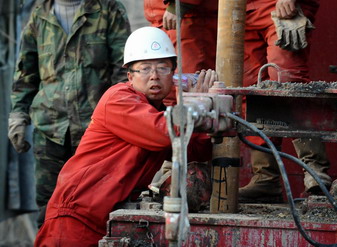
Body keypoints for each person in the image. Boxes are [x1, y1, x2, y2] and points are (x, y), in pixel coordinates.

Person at [34, 27, 215, 246]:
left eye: (163, 68)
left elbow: (195, 150)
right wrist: (198, 103)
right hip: (76, 217)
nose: (154, 76)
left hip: (108, 221)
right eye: (145, 68)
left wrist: (204, 113)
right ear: (130, 76)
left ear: (174, 75)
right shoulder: (118, 99)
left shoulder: (158, 111)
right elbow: (163, 133)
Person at [8, 0, 130, 225]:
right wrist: (18, 116)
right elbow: (26, 75)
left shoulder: (107, 11)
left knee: (96, 209)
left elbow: (123, 73)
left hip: (96, 133)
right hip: (48, 133)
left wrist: (117, 122)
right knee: (47, 212)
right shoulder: (39, 18)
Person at [239, 0, 331, 203]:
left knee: (287, 80)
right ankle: (265, 180)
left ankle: (316, 172)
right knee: (252, 91)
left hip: (280, 0)